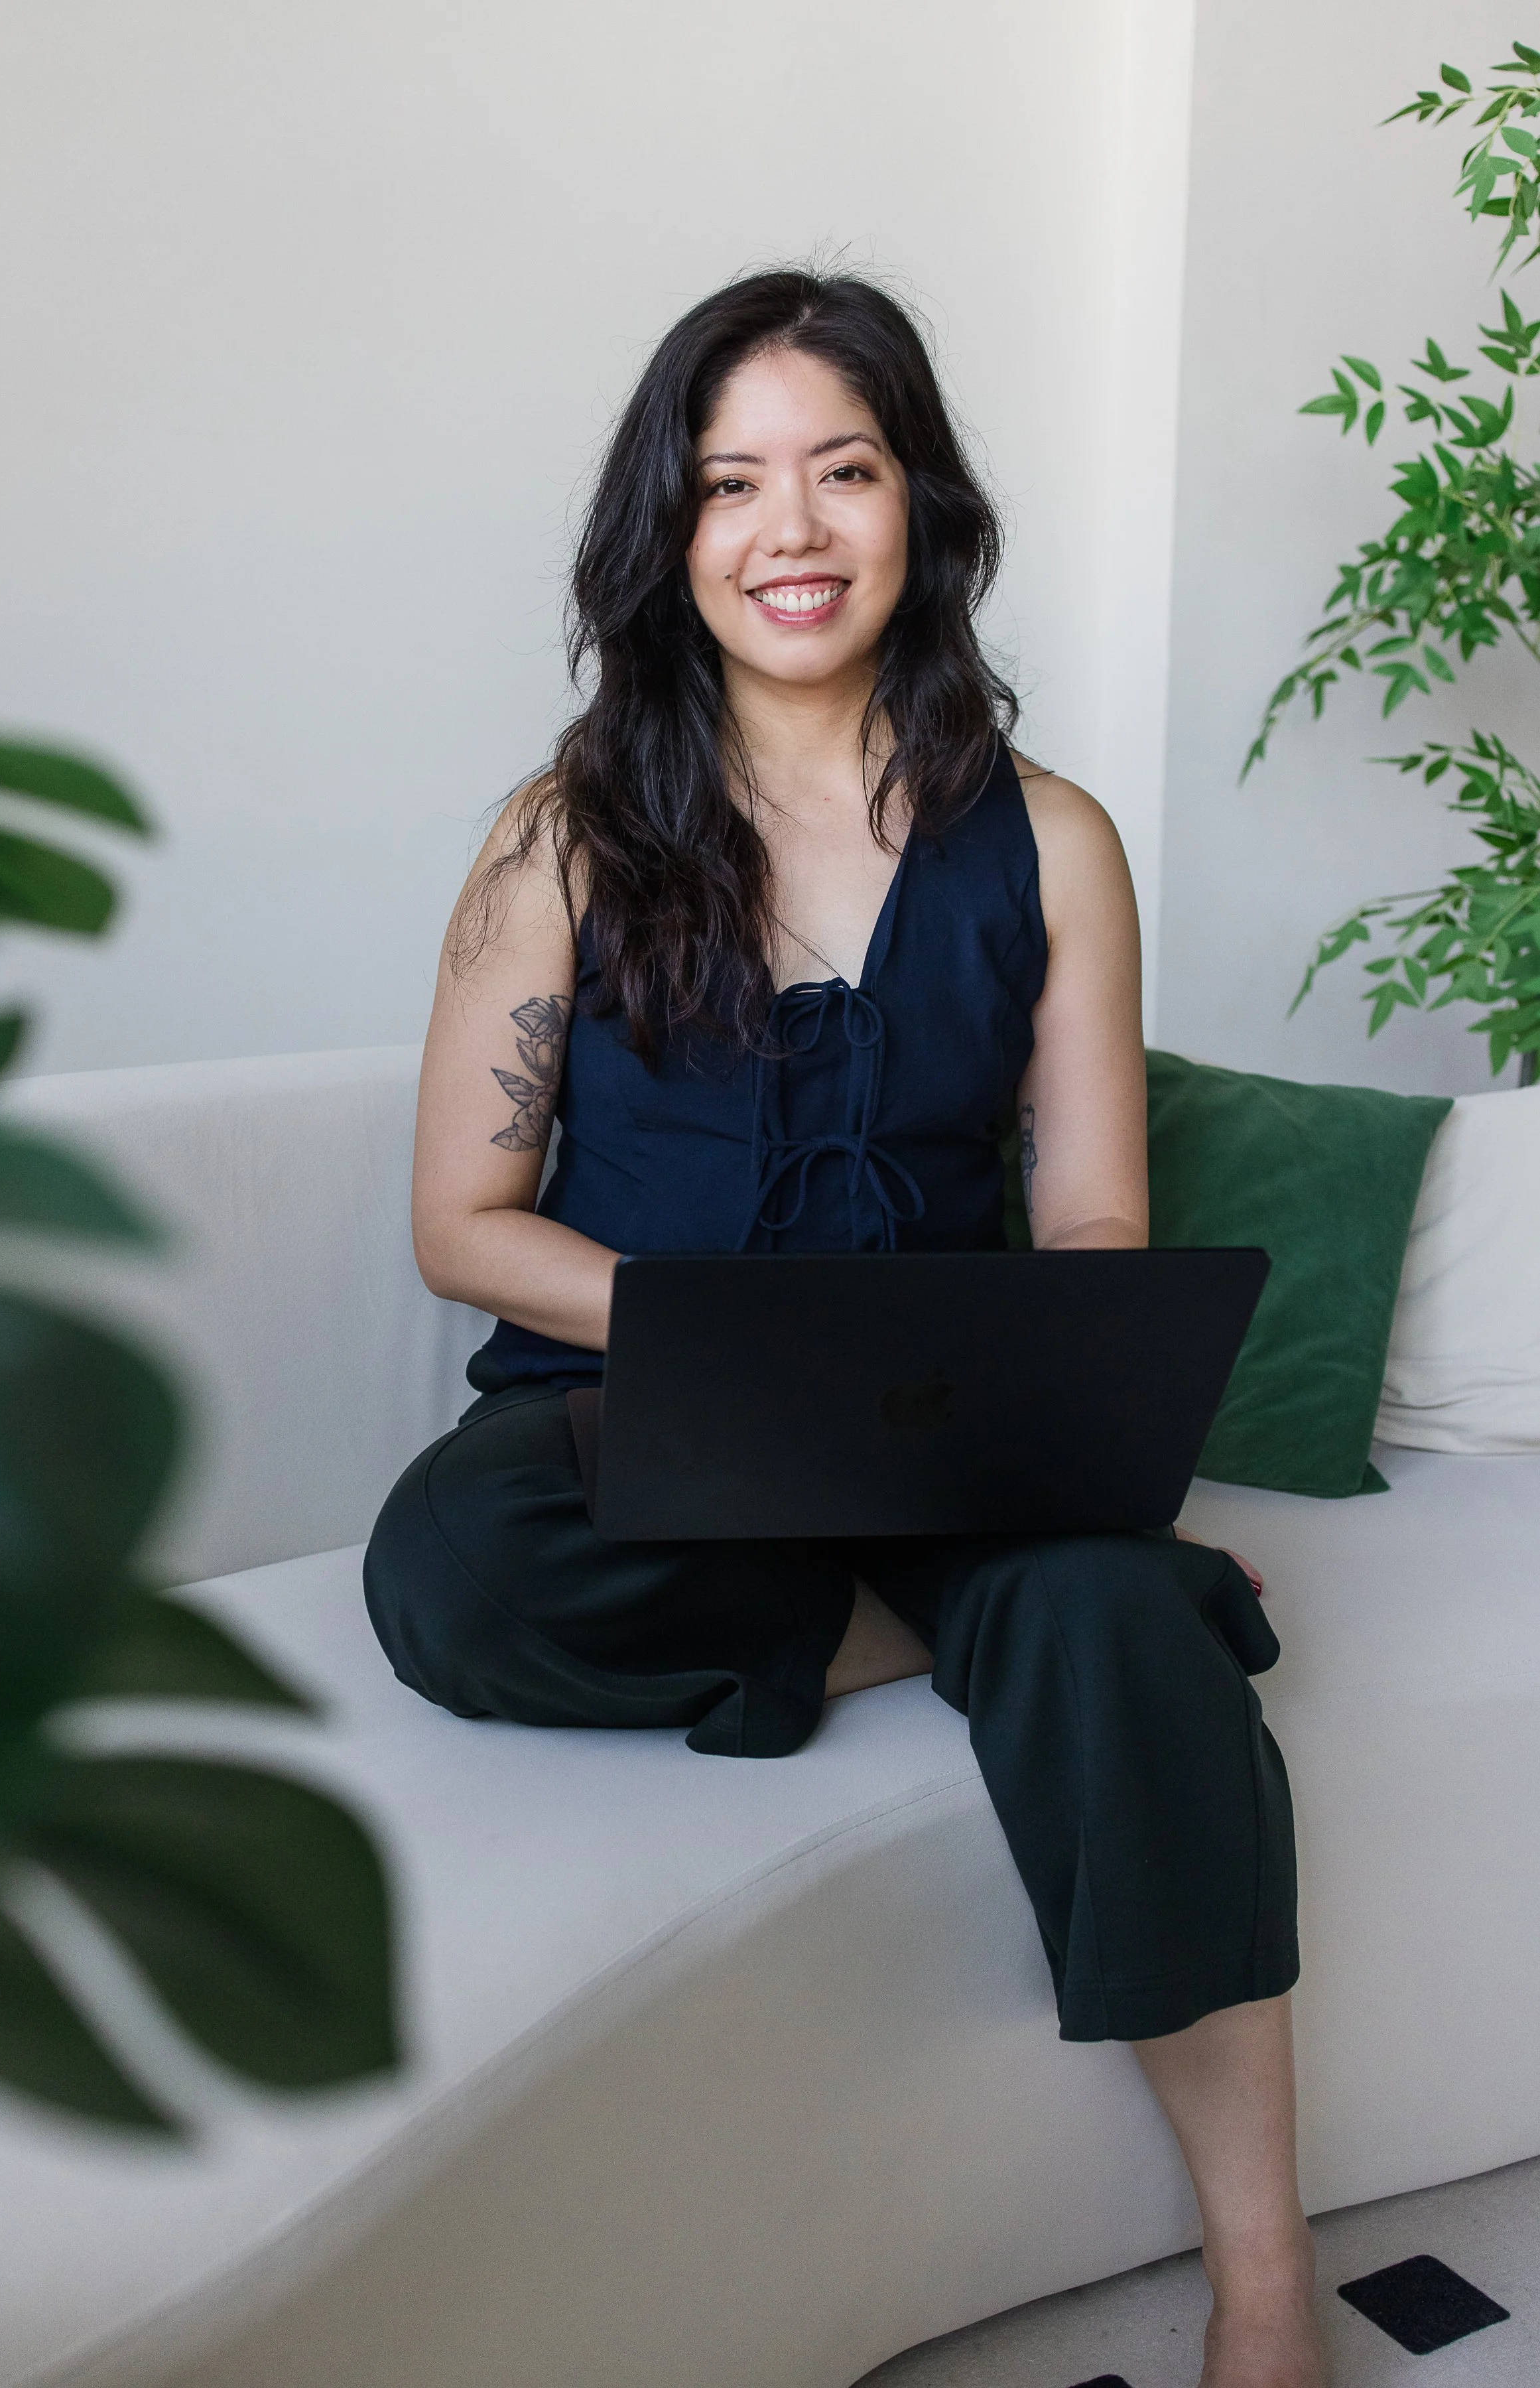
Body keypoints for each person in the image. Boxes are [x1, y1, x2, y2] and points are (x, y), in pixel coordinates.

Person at [364, 269, 1322, 2388]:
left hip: (952, 1411)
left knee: (1105, 1625)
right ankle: (982, 1609)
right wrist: (726, 1355)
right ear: (667, 534)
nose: (789, 529)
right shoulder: (562, 834)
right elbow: (465, 1222)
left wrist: (1056, 1432)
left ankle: (1263, 2287)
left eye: (842, 470)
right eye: (731, 482)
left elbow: (1088, 1219)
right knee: (451, 1563)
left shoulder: (1056, 839)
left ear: (923, 507)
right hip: (636, 1410)